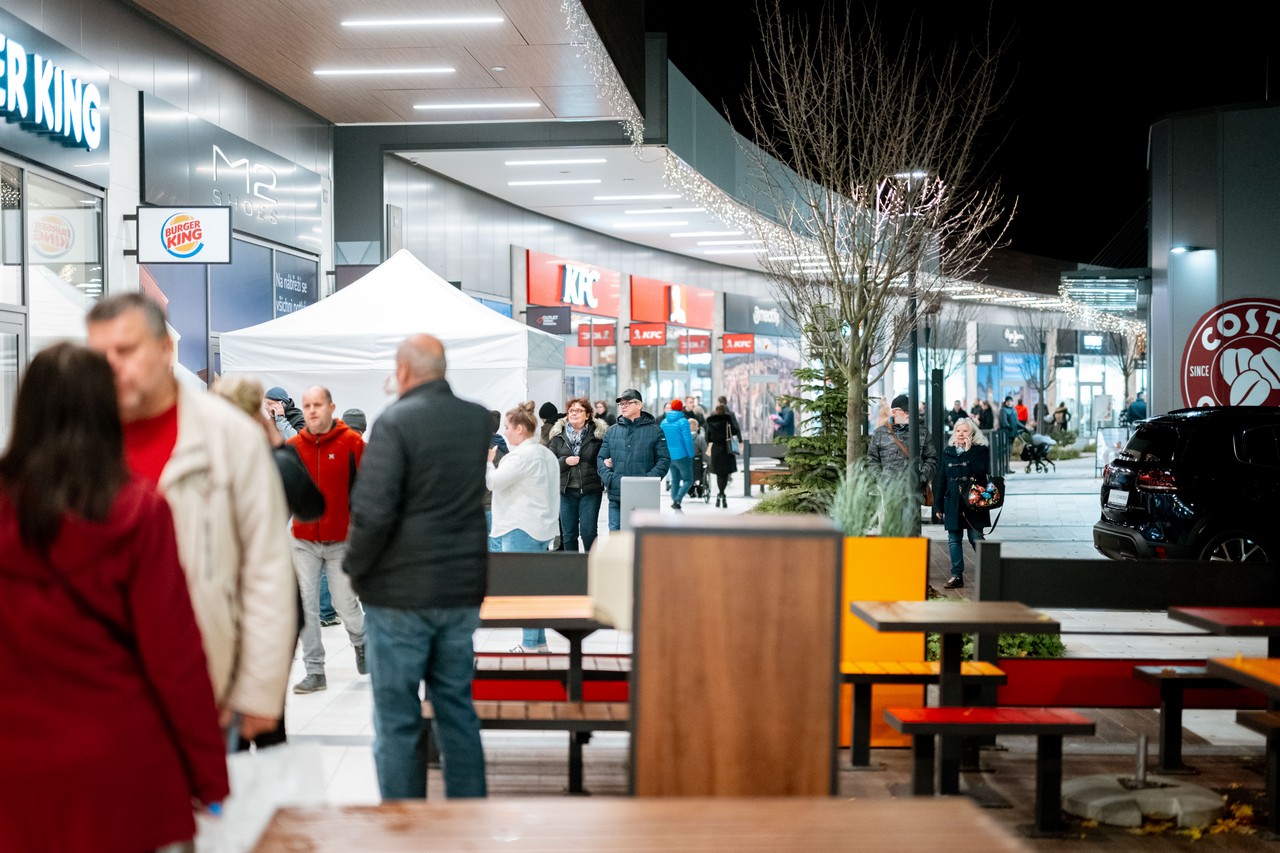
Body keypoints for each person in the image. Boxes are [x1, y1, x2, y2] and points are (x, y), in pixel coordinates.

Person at [0, 344, 229, 853]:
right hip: (117, 758)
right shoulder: (137, 510)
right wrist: (209, 775)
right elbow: (174, 657)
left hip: (12, 761)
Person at [86, 294, 296, 745]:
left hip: (204, 678)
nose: (112, 366)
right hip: (101, 685)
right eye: (100, 355)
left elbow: (265, 568)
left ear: (166, 349)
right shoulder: (81, 441)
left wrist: (259, 691)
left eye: (126, 350)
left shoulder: (228, 436)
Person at [345, 334, 491, 799]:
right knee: (457, 710)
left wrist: (354, 569)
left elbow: (372, 512)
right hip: (460, 588)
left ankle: (404, 823)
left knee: (397, 717)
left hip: (399, 594)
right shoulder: (476, 420)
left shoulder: (394, 422)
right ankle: (468, 815)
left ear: (403, 370)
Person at [288, 386, 368, 694]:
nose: (311, 410)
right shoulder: (293, 447)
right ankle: (314, 670)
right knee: (306, 605)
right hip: (303, 540)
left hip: (341, 540)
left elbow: (368, 491)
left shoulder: (352, 444)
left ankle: (361, 641)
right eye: (307, 405)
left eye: (317, 405)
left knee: (344, 603)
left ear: (331, 408)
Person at [488, 401, 561, 652]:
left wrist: (488, 462)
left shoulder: (519, 457)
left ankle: (530, 644)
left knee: (524, 591)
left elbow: (493, 483)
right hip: (542, 528)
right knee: (533, 588)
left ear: (520, 428)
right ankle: (538, 642)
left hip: (520, 528)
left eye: (508, 427)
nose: (505, 432)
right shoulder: (546, 454)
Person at [598, 388, 670, 529]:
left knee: (643, 537)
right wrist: (610, 479)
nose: (623, 406)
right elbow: (601, 458)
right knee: (616, 536)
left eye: (628, 403)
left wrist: (647, 480)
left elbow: (664, 460)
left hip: (644, 495)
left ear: (639, 405)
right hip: (617, 495)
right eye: (621, 404)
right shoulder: (612, 431)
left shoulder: (655, 431)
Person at [933, 417, 991, 590]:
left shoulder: (980, 450)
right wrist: (938, 504)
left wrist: (969, 451)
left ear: (972, 433)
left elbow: (981, 471)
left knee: (976, 537)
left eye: (965, 431)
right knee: (953, 539)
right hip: (953, 501)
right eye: (958, 430)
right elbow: (942, 479)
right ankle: (956, 575)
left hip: (974, 501)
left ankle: (989, 570)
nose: (961, 434)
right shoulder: (948, 451)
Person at [547, 397, 607, 552]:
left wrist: (606, 463)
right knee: (568, 535)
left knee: (588, 533)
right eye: (571, 410)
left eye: (579, 410)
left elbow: (603, 458)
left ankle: (591, 564)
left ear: (587, 415)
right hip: (566, 491)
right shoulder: (558, 436)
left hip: (590, 490)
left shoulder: (597, 436)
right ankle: (571, 566)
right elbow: (549, 463)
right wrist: (565, 461)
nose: (574, 413)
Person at [866, 394, 938, 503]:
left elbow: (931, 459)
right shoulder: (880, 433)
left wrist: (922, 478)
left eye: (910, 411)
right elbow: (872, 460)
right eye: (905, 411)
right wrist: (882, 480)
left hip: (914, 493)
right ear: (894, 412)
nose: (909, 414)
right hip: (889, 494)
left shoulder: (922, 433)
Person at [660, 398, 697, 510]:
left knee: (675, 480)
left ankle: (675, 500)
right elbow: (688, 440)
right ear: (681, 408)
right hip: (682, 456)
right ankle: (677, 500)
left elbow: (661, 440)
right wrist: (691, 454)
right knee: (688, 480)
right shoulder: (683, 422)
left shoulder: (664, 422)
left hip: (670, 456)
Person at [705, 401, 740, 508]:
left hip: (716, 450)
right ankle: (722, 494)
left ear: (715, 411)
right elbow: (735, 431)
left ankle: (720, 494)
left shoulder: (710, 422)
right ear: (725, 411)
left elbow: (708, 438)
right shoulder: (728, 420)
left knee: (719, 474)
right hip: (727, 450)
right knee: (724, 474)